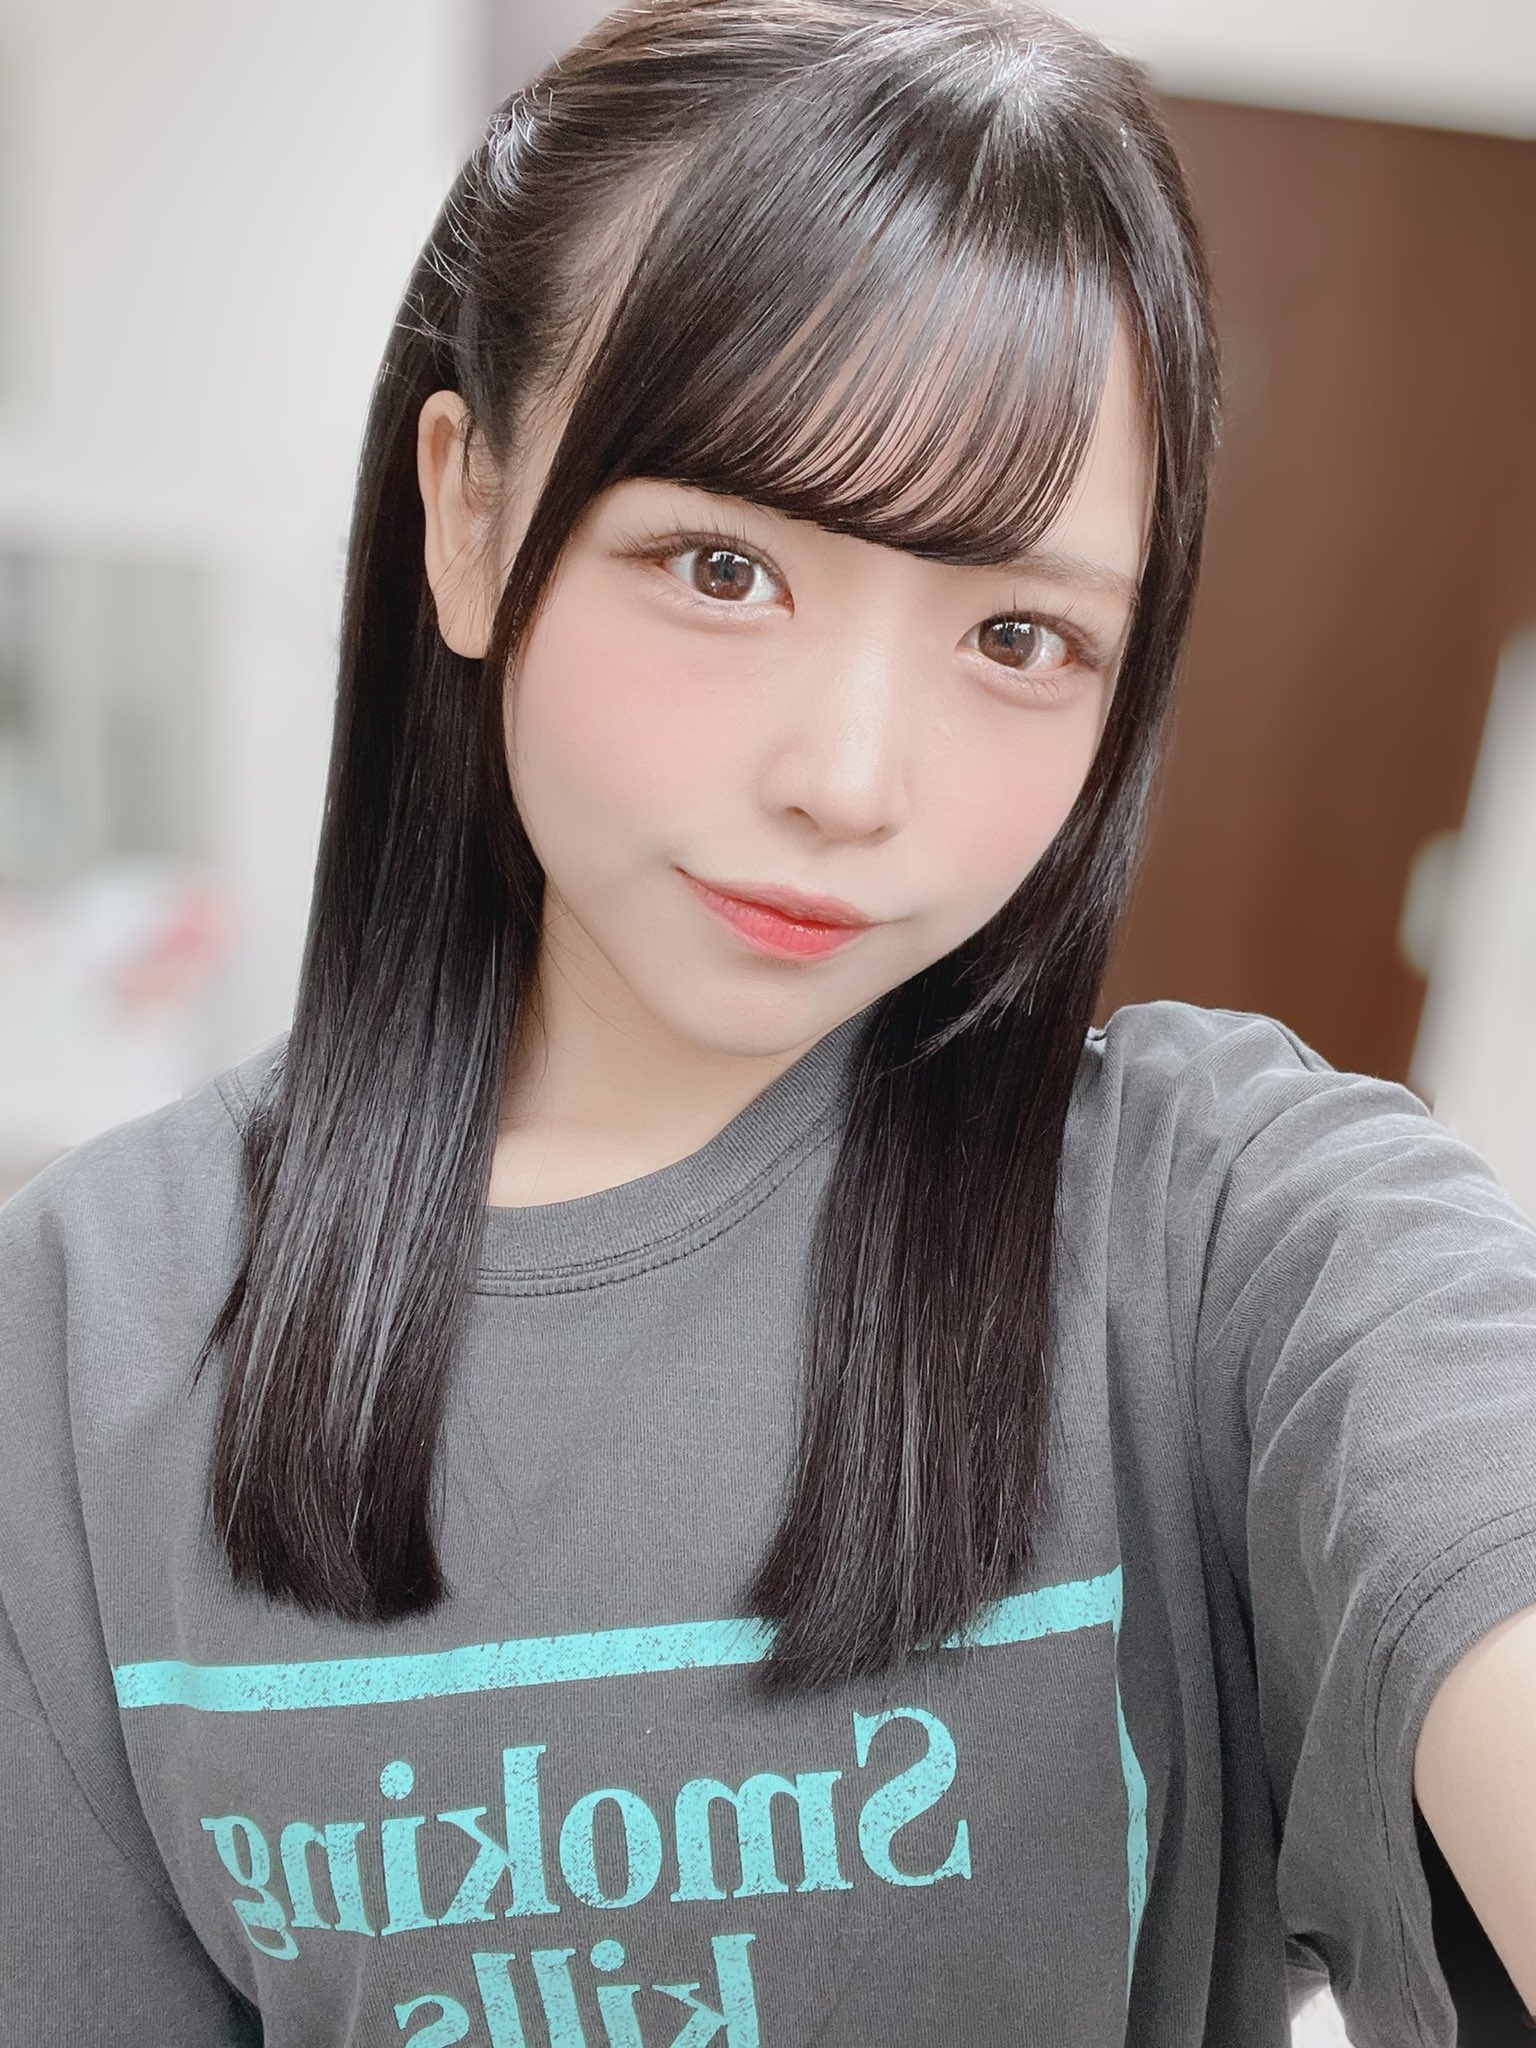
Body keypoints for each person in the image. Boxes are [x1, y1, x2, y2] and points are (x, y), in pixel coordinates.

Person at [2, 2, 1535, 2043]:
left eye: (1018, 633)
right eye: (722, 565)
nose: (850, 780)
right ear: (470, 520)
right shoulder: (80, 1327)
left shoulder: (1227, 1226)